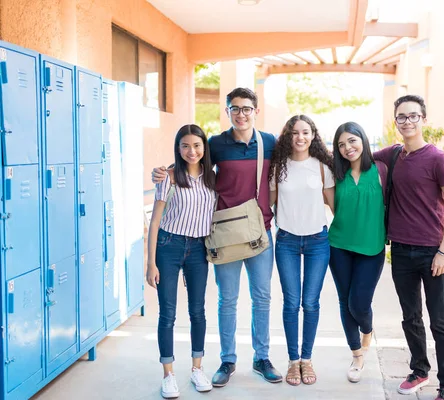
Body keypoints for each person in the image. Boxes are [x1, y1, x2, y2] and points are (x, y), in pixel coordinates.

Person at [152, 88, 282, 387]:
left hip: (259, 231)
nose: (241, 113)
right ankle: (227, 360)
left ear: (256, 111)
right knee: (228, 300)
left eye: (246, 108)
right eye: (234, 108)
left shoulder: (269, 142)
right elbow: (192, 165)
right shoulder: (216, 144)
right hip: (224, 233)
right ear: (227, 112)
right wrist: (164, 173)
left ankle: (261, 358)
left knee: (262, 298)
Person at [374, 94, 444, 400]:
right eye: (401, 117)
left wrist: (443, 251)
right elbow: (358, 156)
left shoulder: (438, 159)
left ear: (424, 119)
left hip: (431, 253)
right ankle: (420, 371)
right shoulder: (394, 155)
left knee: (440, 320)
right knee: (410, 317)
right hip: (400, 251)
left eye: (413, 116)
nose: (407, 122)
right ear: (395, 121)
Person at [146, 124, 217, 398]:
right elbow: (155, 222)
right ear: (178, 148)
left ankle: (197, 368)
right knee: (168, 314)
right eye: (185, 145)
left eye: (197, 145)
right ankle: (168, 374)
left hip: (199, 250)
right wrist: (150, 263)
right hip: (169, 246)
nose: (192, 151)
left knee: (197, 311)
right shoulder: (169, 177)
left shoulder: (212, 178)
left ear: (204, 148)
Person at [268, 115, 335, 386]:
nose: (300, 137)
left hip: (318, 240)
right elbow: (268, 203)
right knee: (291, 302)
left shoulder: (322, 167)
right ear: (287, 136)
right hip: (286, 241)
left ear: (313, 135)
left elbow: (334, 207)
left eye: (306, 132)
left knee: (310, 302)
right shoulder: (277, 167)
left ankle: (307, 359)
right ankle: (293, 361)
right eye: (294, 133)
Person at [328, 121, 387, 384]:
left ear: (362, 139)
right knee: (344, 301)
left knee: (359, 303)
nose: (347, 147)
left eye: (352, 140)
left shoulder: (382, 169)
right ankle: (357, 354)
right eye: (341, 144)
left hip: (372, 247)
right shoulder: (334, 174)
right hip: (339, 245)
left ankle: (368, 329)